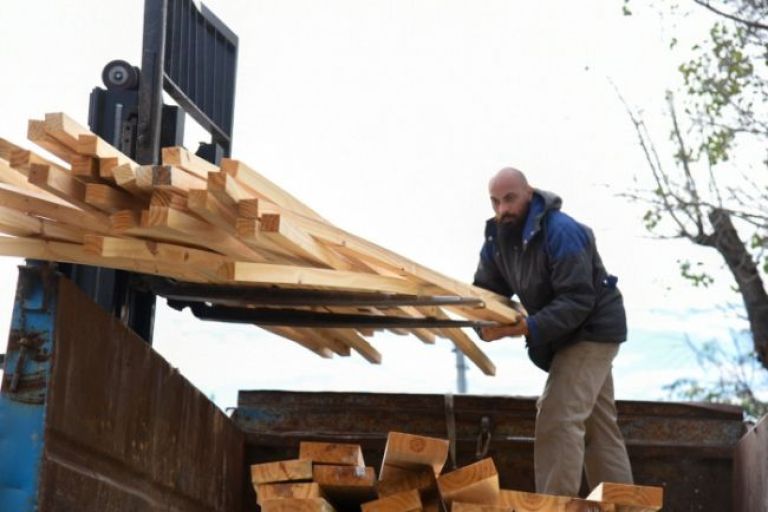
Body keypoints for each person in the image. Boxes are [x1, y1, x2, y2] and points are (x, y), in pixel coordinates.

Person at [473, 167, 633, 497]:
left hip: (592, 327)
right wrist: (482, 325)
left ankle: (554, 506)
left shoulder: (562, 230)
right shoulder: (497, 240)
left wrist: (528, 326)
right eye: (495, 202)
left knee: (558, 416)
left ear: (529, 193)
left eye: (510, 199)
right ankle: (625, 506)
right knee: (598, 428)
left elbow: (578, 299)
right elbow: (485, 293)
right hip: (562, 334)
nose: (503, 209)